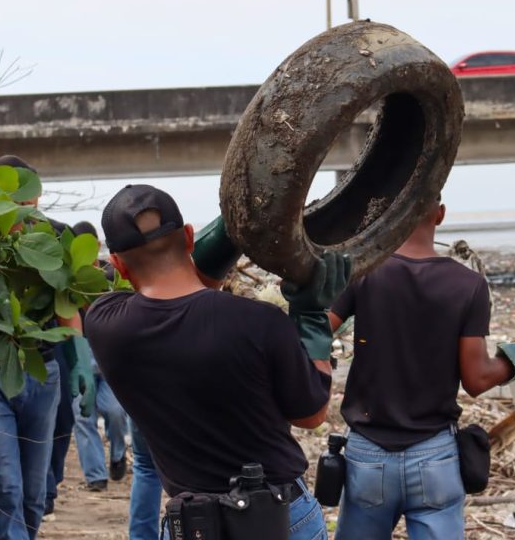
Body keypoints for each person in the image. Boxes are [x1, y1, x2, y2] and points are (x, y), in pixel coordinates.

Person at [85, 184, 350, 540]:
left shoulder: (105, 325)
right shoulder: (261, 322)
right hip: (280, 517)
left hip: (194, 524)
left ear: (117, 262)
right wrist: (312, 319)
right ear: (189, 237)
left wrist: (236, 223)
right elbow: (311, 414)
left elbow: (185, 300)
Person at [328, 196, 515, 540]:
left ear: (391, 216)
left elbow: (315, 332)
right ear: (440, 214)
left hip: (367, 455)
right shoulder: (468, 285)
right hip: (434, 456)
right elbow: (477, 378)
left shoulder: (364, 272)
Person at [0, 155, 94, 540]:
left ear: (37, 198)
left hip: (43, 375)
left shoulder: (55, 239)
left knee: (35, 496)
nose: (22, 205)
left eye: (28, 197)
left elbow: (66, 305)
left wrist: (81, 361)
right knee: (7, 486)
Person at [68, 221, 129, 491]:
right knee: (83, 419)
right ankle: (95, 477)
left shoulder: (109, 273)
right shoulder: (67, 279)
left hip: (108, 356)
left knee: (115, 412)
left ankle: (117, 456)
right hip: (81, 355)